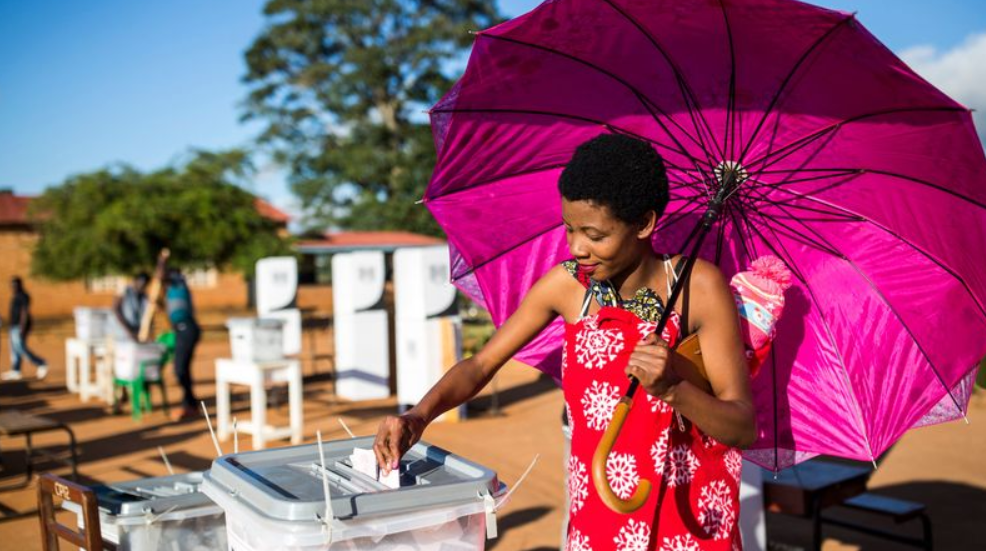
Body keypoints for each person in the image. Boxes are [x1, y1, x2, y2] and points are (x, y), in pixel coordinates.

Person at [374, 134, 756, 549]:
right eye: (570, 228)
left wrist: (673, 389)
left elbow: (742, 425)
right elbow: (481, 365)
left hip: (691, 517)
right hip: (601, 515)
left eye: (594, 234)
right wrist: (419, 415)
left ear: (644, 224)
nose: (577, 247)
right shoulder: (567, 287)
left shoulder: (699, 287)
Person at [165, 268, 200, 420]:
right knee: (183, 369)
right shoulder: (174, 289)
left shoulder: (178, 286)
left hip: (187, 328)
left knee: (180, 369)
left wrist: (162, 259)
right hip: (183, 329)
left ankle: (189, 404)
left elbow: (161, 274)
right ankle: (190, 403)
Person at [2, 277, 48, 381]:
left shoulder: (24, 296)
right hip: (13, 326)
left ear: (20, 285)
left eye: (15, 285)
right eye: (11, 285)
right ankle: (16, 370)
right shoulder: (15, 296)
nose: (13, 287)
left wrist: (22, 328)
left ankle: (41, 363)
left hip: (19, 327)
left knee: (21, 349)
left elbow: (25, 313)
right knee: (14, 350)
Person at [113, 272, 150, 341]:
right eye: (140, 283)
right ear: (136, 281)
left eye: (145, 285)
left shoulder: (144, 296)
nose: (142, 286)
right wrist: (128, 330)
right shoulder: (125, 291)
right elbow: (116, 310)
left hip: (138, 331)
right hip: (123, 332)